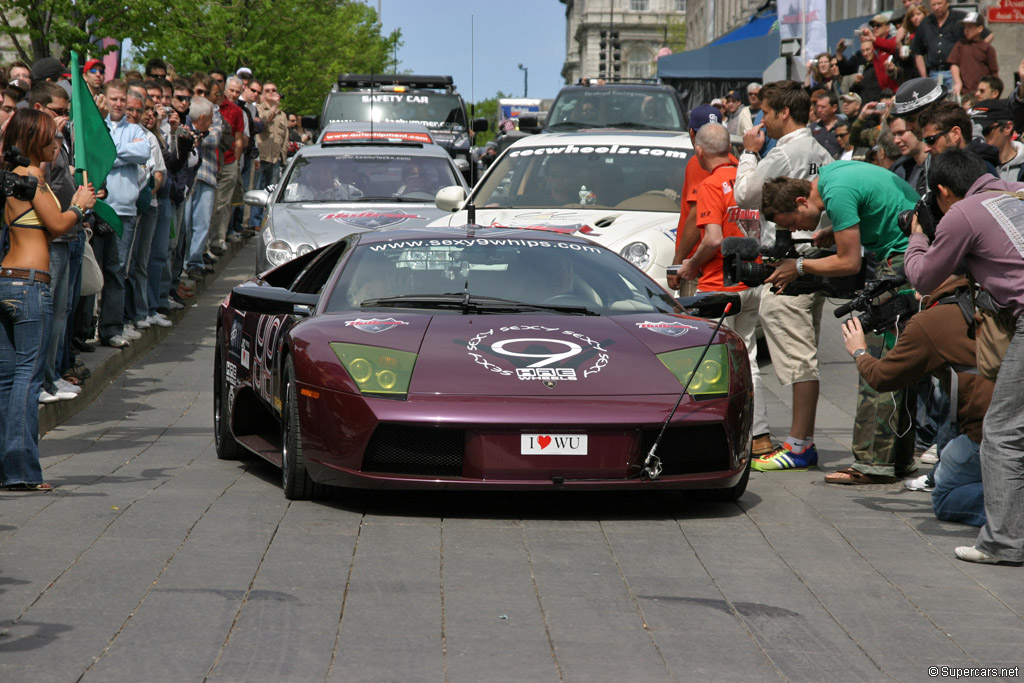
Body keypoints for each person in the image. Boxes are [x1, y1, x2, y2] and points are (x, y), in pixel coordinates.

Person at [761, 161, 919, 484]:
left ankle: (871, 464)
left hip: (900, 258)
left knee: (878, 358)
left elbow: (849, 262)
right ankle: (898, 460)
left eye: (792, 223)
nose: (794, 232)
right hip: (911, 252)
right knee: (903, 358)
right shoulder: (831, 177)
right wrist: (836, 231)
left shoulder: (837, 193)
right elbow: (879, 204)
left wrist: (800, 267)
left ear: (801, 202)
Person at [903, 147, 1024, 566]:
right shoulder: (1017, 191)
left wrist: (919, 233)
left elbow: (922, 277)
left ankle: (1004, 543)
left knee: (1004, 433)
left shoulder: (963, 212)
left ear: (943, 190)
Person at [734, 80, 834, 471]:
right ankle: (800, 441)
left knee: (796, 359)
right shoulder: (823, 150)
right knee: (803, 352)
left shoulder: (782, 153)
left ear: (784, 113)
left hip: (789, 262)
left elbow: (744, 194)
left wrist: (748, 152)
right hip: (817, 255)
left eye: (766, 113)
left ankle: (798, 446)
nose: (762, 120)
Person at [840, 274, 991, 526]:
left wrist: (859, 351)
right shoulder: (989, 295)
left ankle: (1011, 511)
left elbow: (882, 377)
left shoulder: (933, 319)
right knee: (952, 454)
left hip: (989, 432)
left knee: (946, 497)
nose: (914, 291)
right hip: (997, 423)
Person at [0, 109, 95, 491]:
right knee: (27, 377)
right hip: (29, 285)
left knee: (7, 380)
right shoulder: (33, 177)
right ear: (36, 141)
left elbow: (40, 232)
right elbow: (58, 225)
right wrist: (80, 204)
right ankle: (21, 470)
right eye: (53, 140)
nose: (58, 146)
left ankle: (8, 469)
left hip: (7, 279)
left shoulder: (12, 177)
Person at [678, 122, 771, 454]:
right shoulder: (750, 176)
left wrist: (691, 265)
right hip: (755, 279)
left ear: (700, 152)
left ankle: (718, 433)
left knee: (713, 364)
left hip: (721, 286)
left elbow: (713, 239)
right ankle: (758, 436)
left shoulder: (710, 184)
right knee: (750, 358)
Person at [667, 105, 736, 303]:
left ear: (692, 134)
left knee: (703, 330)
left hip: (702, 266)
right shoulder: (733, 162)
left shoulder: (699, 162)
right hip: (732, 266)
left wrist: (679, 262)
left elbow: (697, 214)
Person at [911, 0, 990, 89]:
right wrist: (924, 77)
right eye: (933, 5)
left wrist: (972, 55)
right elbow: (918, 52)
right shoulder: (926, 22)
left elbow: (988, 35)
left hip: (956, 73)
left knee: (955, 101)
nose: (936, 7)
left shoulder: (960, 17)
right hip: (933, 73)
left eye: (939, 4)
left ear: (947, 3)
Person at [947, 12, 998, 99]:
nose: (966, 30)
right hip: (965, 92)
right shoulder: (960, 45)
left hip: (982, 94)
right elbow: (954, 64)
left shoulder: (987, 48)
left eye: (970, 27)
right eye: (965, 27)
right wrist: (958, 82)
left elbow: (994, 72)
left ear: (980, 28)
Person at [972, 99, 1024, 182]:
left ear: (1008, 128)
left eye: (984, 131)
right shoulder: (970, 166)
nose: (979, 138)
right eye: (974, 133)